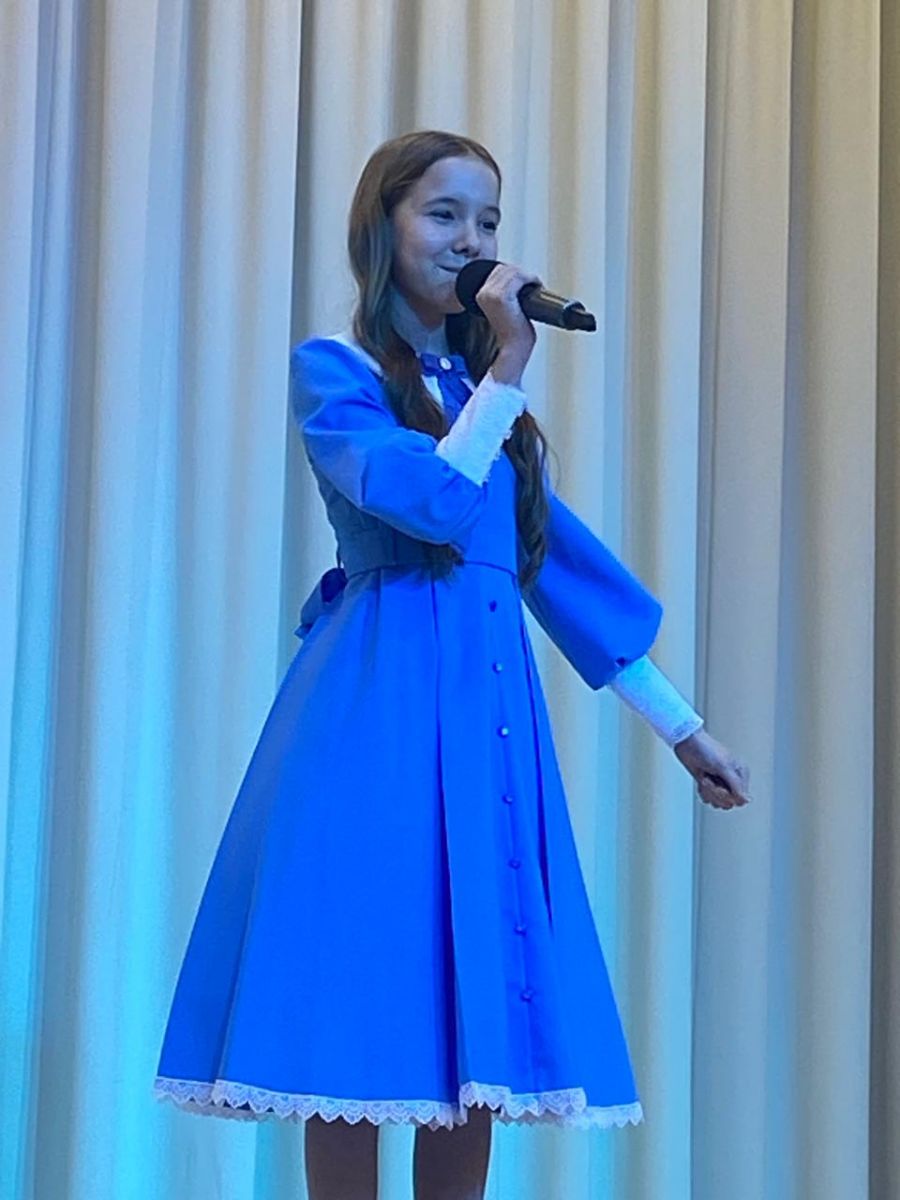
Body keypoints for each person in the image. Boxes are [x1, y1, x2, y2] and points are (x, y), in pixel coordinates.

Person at [153, 130, 751, 1200]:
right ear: (381, 226)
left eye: (488, 221)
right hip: (373, 723)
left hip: (483, 730)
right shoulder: (336, 373)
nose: (470, 240)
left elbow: (557, 571)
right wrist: (507, 369)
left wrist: (683, 728)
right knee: (360, 1011)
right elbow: (428, 501)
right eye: (443, 214)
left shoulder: (487, 404)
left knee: (474, 1021)